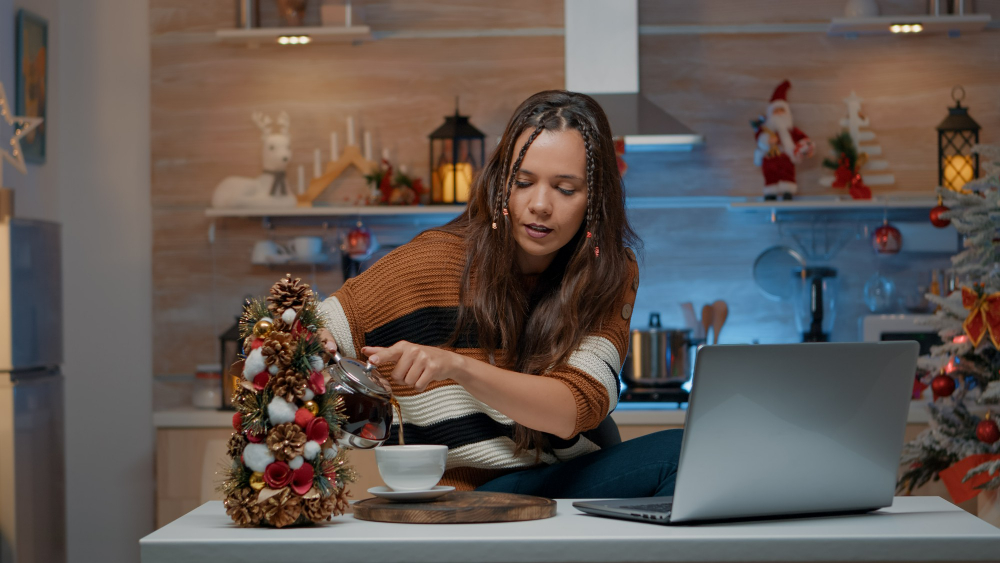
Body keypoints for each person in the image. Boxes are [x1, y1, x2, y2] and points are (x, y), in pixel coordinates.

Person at [316, 90, 682, 498]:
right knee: (678, 455)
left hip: (572, 481)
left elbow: (572, 409)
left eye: (565, 189)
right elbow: (305, 335)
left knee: (688, 456)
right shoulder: (430, 261)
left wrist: (457, 366)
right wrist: (317, 348)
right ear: (501, 184)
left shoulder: (608, 272)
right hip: (472, 499)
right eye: (523, 182)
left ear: (594, 200)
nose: (539, 205)